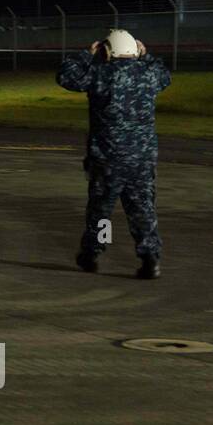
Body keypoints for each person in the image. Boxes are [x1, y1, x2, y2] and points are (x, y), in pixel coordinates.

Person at [56, 28, 172, 279]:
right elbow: (165, 74)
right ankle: (150, 259)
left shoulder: (101, 75)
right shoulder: (149, 75)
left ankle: (91, 254)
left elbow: (66, 77)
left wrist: (87, 55)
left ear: (107, 51)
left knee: (100, 210)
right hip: (142, 159)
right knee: (143, 209)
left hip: (108, 158)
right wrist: (146, 56)